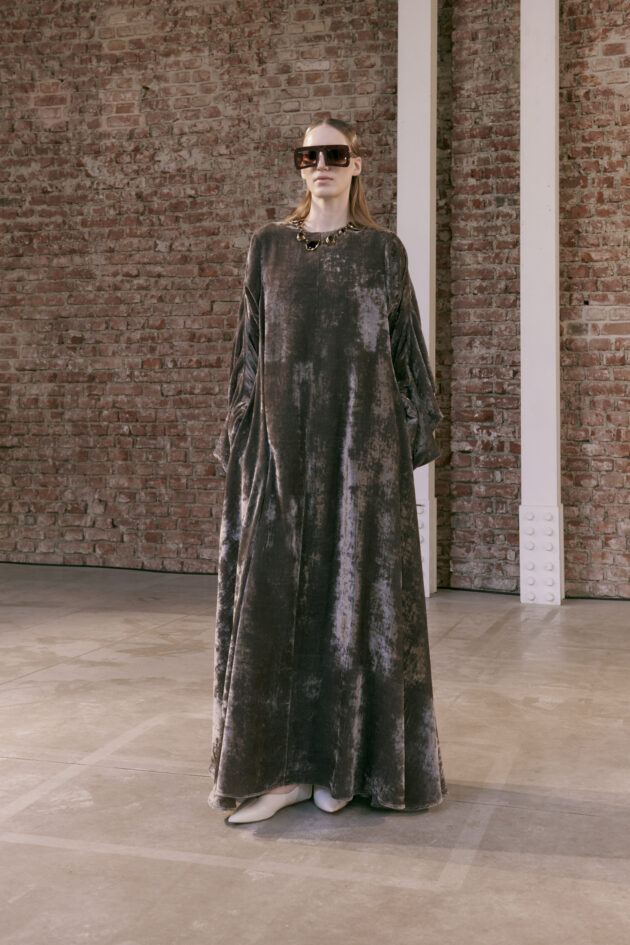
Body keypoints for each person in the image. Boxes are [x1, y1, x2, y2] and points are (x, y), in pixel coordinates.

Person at [208, 116, 447, 825]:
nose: (320, 164)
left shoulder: (382, 252)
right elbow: (249, 355)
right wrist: (242, 444)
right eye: (308, 155)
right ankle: (278, 773)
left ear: (356, 165)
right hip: (280, 455)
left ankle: (344, 767)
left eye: (334, 154)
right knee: (275, 599)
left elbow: (407, 356)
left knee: (354, 604)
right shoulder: (268, 248)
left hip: (360, 461)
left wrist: (404, 444)